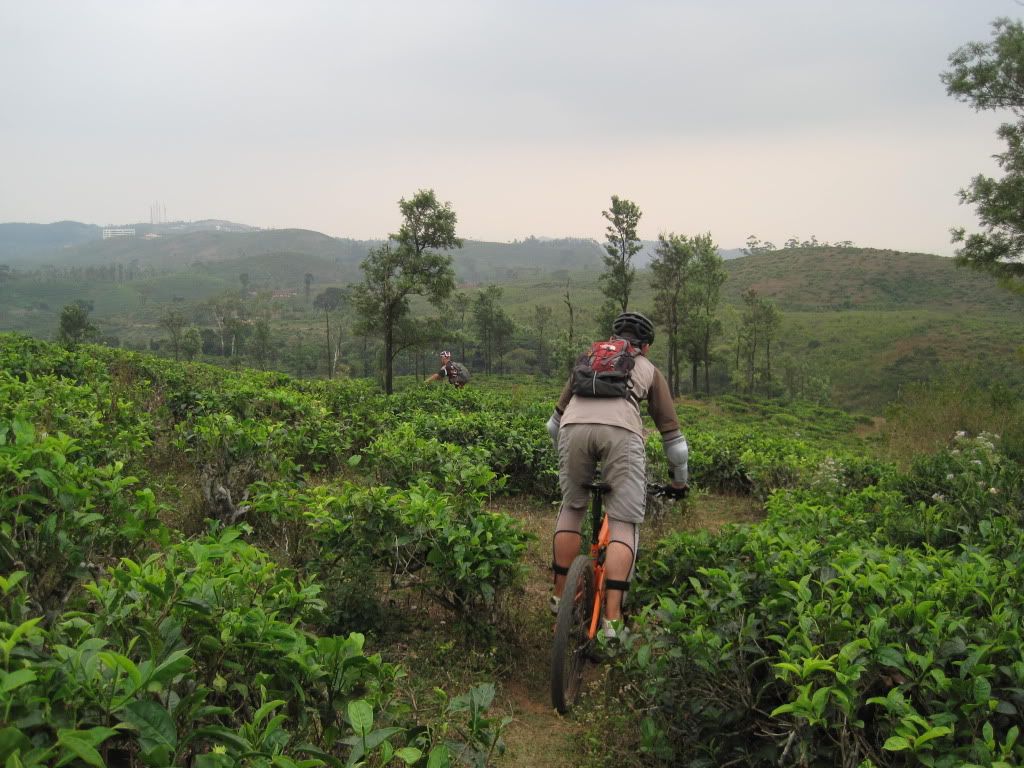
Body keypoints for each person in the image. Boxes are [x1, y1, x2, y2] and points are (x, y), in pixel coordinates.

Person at [545, 311, 688, 640]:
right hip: (621, 434)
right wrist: (679, 482)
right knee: (624, 522)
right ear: (645, 347)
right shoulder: (648, 369)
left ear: (612, 338)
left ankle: (559, 596)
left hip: (572, 430)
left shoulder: (588, 360)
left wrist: (565, 456)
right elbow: (675, 442)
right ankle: (612, 621)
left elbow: (553, 425)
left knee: (572, 508)